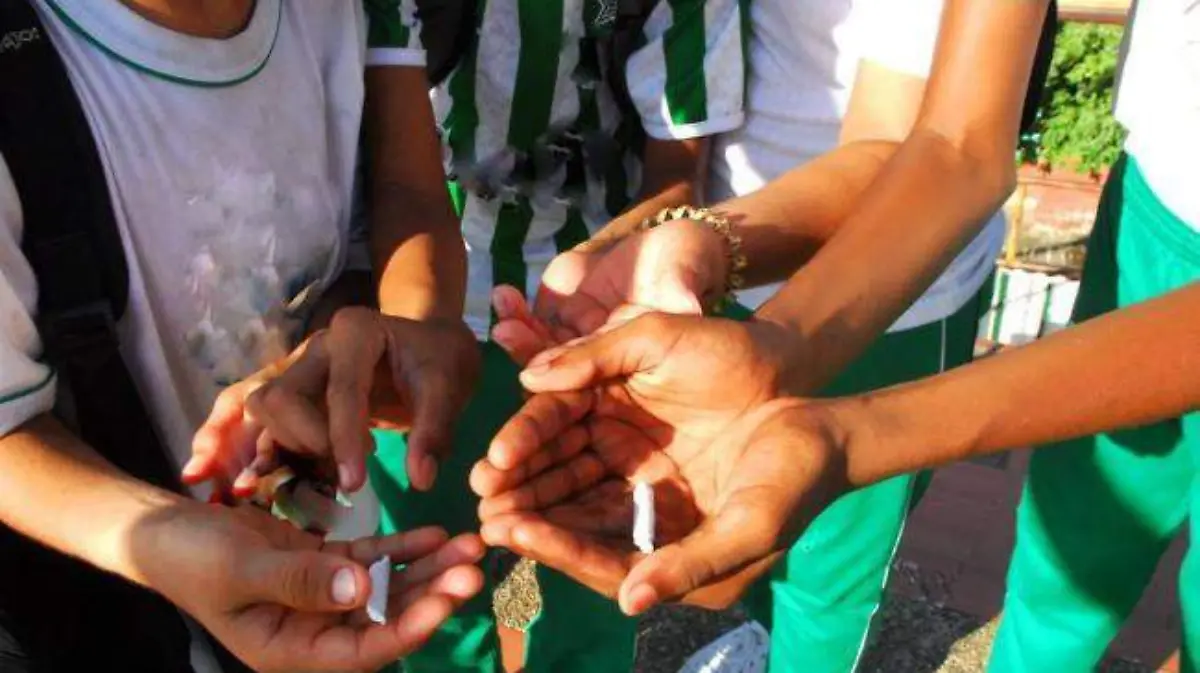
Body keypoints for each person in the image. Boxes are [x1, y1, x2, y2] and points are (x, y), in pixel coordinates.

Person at [477, 0, 1200, 669]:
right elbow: (951, 144)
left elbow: (948, 144)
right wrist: (736, 289)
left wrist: (851, 435)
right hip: (1153, 198)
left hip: (915, 291)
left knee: (834, 580)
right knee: (1072, 543)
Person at [200, 2, 751, 672]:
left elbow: (677, 176)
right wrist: (404, 330)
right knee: (428, 582)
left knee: (594, 573)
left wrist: (622, 285)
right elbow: (399, 182)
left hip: (598, 332)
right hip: (425, 324)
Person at [0, 1, 483, 671]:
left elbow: (400, 194)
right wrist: (167, 539)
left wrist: (361, 345)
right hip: (105, 610)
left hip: (311, 559)